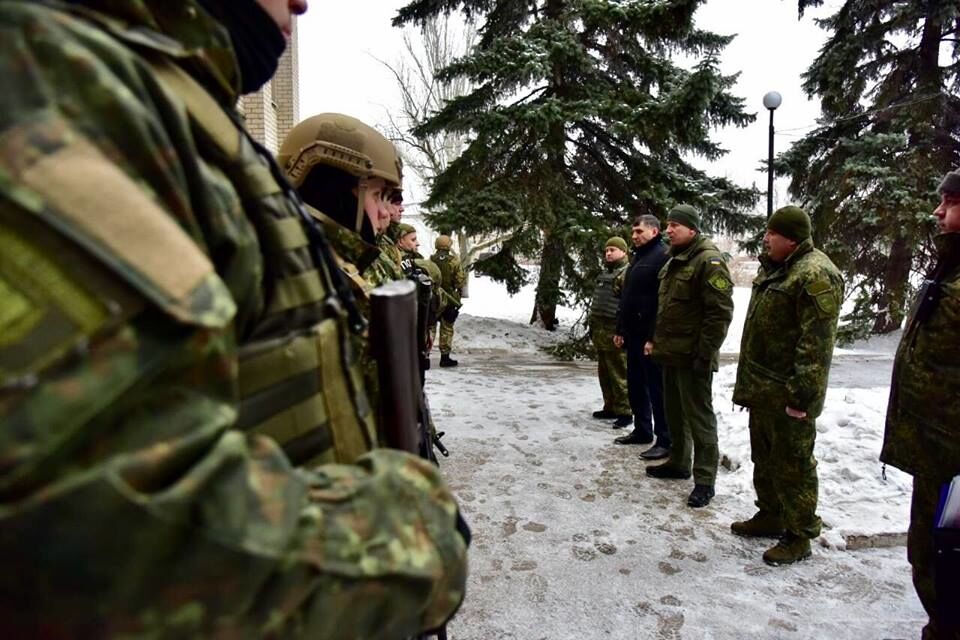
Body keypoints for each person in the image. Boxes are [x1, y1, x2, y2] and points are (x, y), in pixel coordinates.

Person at [0, 1, 467, 635]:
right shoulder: (65, 87)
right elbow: (106, 530)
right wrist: (406, 544)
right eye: (380, 195)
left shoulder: (183, 113)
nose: (302, 2)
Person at [731, 206, 843, 566]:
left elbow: (816, 346)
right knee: (764, 457)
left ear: (791, 239)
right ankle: (771, 514)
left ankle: (799, 534)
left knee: (793, 463)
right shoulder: (779, 268)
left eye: (772, 233)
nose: (765, 238)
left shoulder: (815, 275)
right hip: (764, 389)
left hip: (789, 394)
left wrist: (802, 396)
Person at [277, 111, 405, 422]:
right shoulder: (298, 277)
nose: (384, 213)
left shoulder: (333, 268)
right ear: (335, 194)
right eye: (376, 195)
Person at [881, 170, 960, 639]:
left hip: (952, 454)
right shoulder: (949, 267)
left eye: (949, 201)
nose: (938, 210)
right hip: (938, 452)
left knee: (944, 557)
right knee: (931, 552)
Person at [646, 204, 734, 509]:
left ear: (692, 229)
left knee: (700, 419)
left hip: (694, 356)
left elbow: (719, 313)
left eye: (675, 226)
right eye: (668, 225)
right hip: (671, 354)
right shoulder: (676, 258)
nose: (669, 230)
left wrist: (704, 353)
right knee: (674, 413)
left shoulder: (708, 261)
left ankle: (705, 481)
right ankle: (679, 463)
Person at [613, 215, 670, 454]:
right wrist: (620, 329)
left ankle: (664, 439)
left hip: (649, 337)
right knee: (636, 384)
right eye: (633, 232)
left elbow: (662, 302)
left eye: (639, 231)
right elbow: (628, 298)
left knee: (656, 389)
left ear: (655, 232)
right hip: (633, 335)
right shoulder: (639, 257)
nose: (634, 236)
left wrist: (653, 337)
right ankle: (642, 429)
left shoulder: (663, 257)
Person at [589, 237, 632, 428]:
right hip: (601, 332)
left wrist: (622, 331)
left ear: (624, 252)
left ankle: (625, 411)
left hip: (616, 333)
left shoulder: (627, 273)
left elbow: (627, 305)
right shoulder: (605, 274)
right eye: (606, 250)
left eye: (612, 250)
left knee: (619, 374)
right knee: (605, 373)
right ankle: (610, 406)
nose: (608, 253)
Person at [431, 235, 466, 367]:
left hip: (434, 299)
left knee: (430, 327)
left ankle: (425, 356)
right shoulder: (454, 261)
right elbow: (460, 281)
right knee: (447, 328)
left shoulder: (431, 260)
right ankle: (445, 358)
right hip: (449, 299)